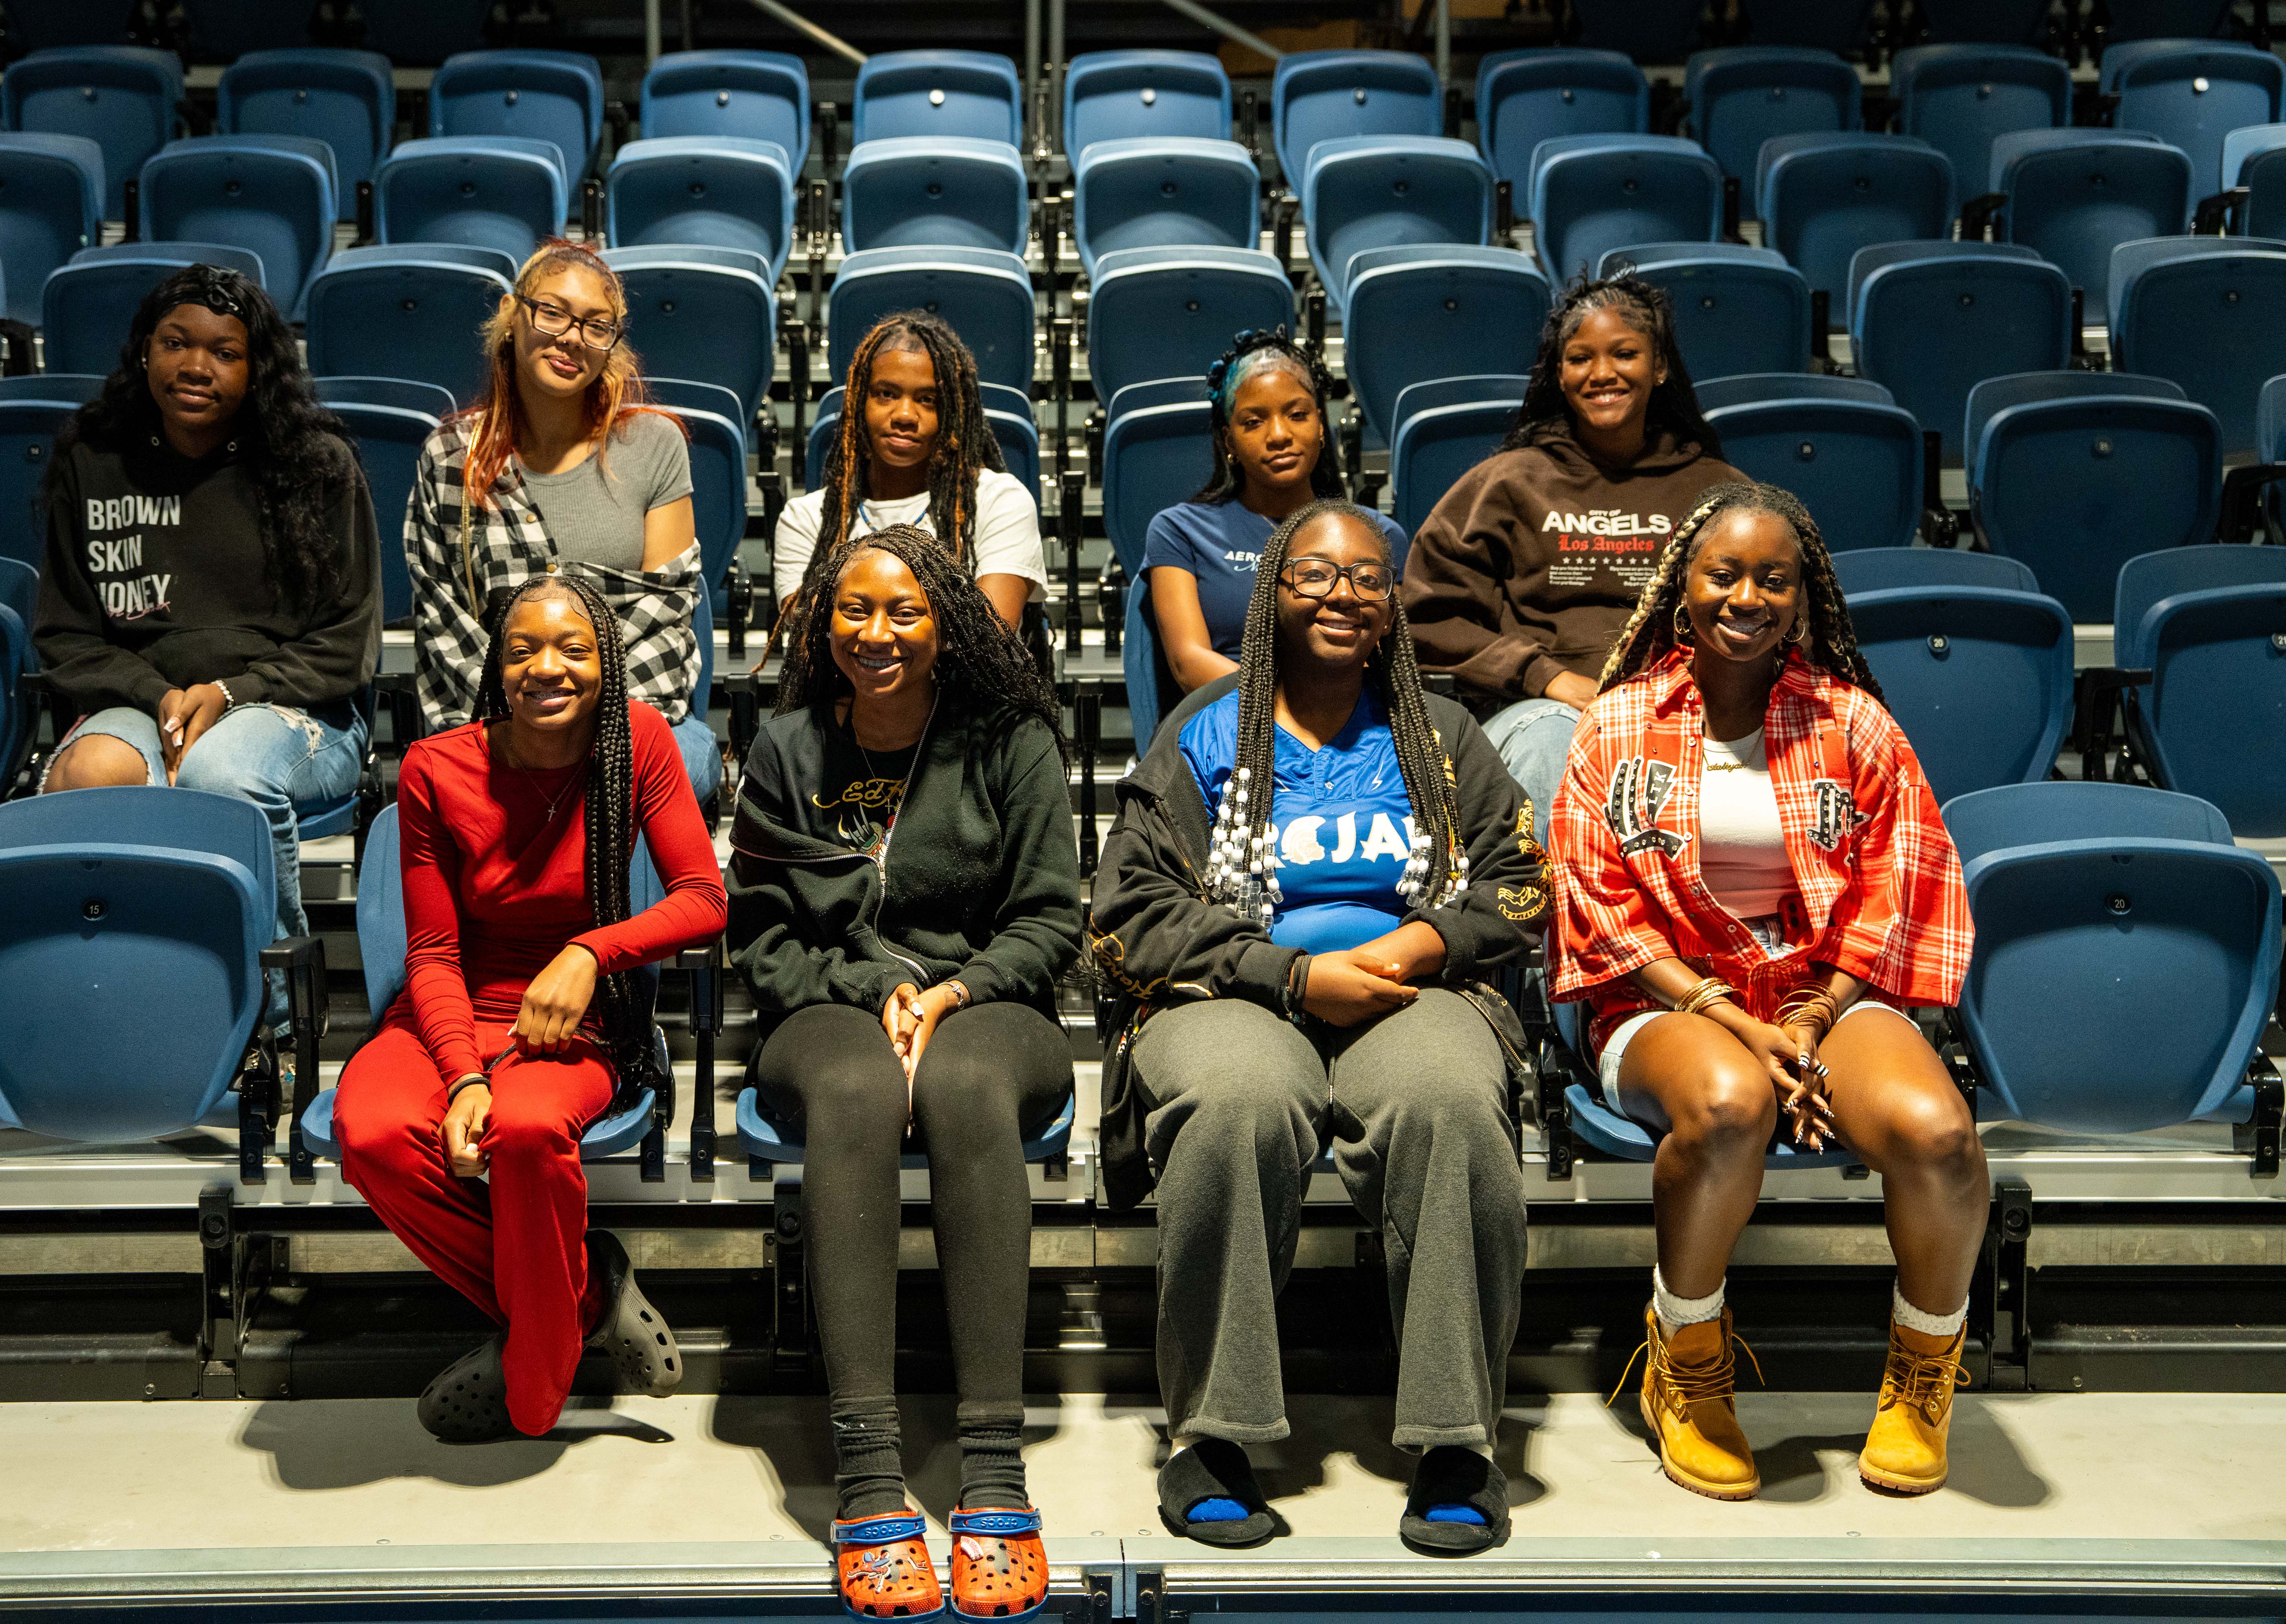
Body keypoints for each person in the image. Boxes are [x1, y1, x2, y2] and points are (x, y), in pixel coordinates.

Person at [1090, 499, 1545, 1556]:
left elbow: (1523, 884)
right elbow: (1129, 913)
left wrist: (1416, 947)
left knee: (1450, 1102)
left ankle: (1456, 1438)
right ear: (1270, 595)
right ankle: (1214, 1432)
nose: (1344, 595)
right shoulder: (1207, 728)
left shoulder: (1440, 733)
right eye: (1315, 575)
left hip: (1411, 989)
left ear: (1392, 602)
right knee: (1236, 1102)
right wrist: (1291, 975)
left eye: (1366, 577)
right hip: (1233, 993)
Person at [1547, 481, 1983, 1502]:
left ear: (1803, 597)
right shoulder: (1617, 723)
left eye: (1773, 579)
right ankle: (1687, 1364)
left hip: (1820, 992)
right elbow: (1596, 904)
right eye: (1725, 574)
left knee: (1940, 1137)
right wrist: (1735, 1022)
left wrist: (1816, 1014)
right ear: (1681, 588)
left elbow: (1897, 886)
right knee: (1729, 1102)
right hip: (1664, 998)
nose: (1747, 597)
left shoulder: (1852, 723)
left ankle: (1923, 1373)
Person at [728, 525, 1079, 1620]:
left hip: (991, 1004)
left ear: (947, 626)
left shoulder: (1009, 740)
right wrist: (870, 987)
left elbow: (1048, 919)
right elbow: (761, 934)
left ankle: (992, 1465)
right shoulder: (787, 746)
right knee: (857, 1090)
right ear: (821, 623)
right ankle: (869, 1470)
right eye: (853, 610)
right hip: (825, 1007)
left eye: (903, 611)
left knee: (963, 1086)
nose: (875, 633)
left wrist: (950, 993)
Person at [334, 571, 726, 1441]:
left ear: (606, 661)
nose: (548, 667)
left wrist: (592, 950)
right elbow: (432, 953)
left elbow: (705, 898)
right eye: (523, 651)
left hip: (578, 1015)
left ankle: (532, 1389)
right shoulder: (436, 767)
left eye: (573, 648)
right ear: (497, 666)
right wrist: (462, 1075)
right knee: (370, 1131)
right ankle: (585, 1296)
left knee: (527, 1131)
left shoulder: (640, 742)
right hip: (450, 1008)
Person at [37, 262, 379, 947]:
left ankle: (269, 1003)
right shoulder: (94, 460)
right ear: (145, 351)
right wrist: (160, 697)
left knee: (220, 773)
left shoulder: (316, 464)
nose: (196, 367)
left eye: (225, 353)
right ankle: (123, 978)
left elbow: (346, 641)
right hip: (143, 702)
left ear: (257, 371)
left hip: (293, 707)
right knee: (90, 774)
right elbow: (66, 634)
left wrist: (229, 693)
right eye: (176, 343)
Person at [1401, 274, 1744, 814]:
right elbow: (1428, 618)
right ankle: (1541, 878)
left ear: (1659, 367)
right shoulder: (1507, 483)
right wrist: (1547, 677)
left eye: (1624, 354)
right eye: (1581, 358)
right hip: (1540, 712)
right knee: (1553, 742)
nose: (1602, 373)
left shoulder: (1716, 489)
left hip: (1683, 710)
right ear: (1559, 375)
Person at [407, 240, 718, 804]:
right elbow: (446, 628)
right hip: (500, 720)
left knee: (666, 769)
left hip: (634, 716)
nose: (573, 337)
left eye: (597, 326)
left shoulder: (655, 444)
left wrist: (582, 729)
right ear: (512, 314)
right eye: (553, 312)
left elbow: (665, 618)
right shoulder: (451, 456)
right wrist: (531, 730)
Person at [1142, 331, 1405, 722]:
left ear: (1321, 425)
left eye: (1297, 415)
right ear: (1229, 440)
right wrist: (1288, 714)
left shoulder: (1378, 535)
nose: (1279, 435)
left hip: (1348, 727)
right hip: (1227, 721)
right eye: (1254, 422)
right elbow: (1189, 662)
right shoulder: (1178, 530)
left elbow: (1384, 658)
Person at [771, 311, 1049, 630]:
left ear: (954, 413)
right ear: (859, 403)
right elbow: (810, 638)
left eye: (928, 400)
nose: (905, 415)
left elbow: (992, 634)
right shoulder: (805, 519)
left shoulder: (1001, 502)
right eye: (886, 394)